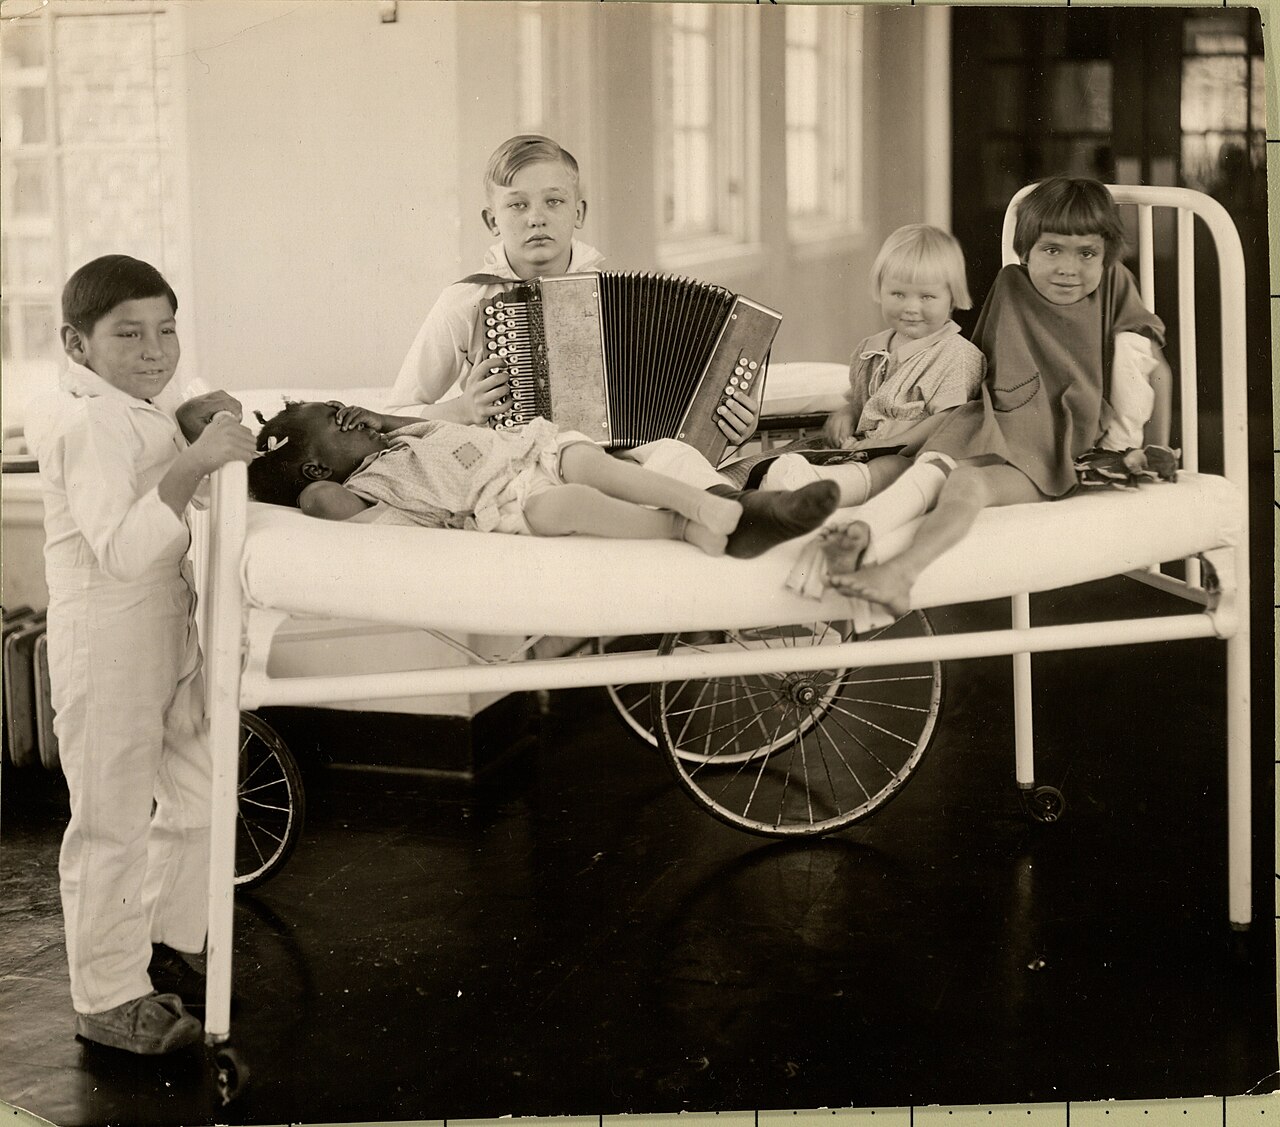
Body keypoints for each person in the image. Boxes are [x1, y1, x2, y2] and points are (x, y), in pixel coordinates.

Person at [23, 255, 256, 1054]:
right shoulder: (85, 420)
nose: (154, 348)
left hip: (167, 623)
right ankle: (107, 992)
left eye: (165, 329)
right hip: (107, 637)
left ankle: (168, 940)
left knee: (198, 795)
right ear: (76, 344)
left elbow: (153, 469)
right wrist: (195, 456)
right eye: (128, 333)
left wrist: (186, 423)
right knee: (112, 820)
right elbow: (122, 547)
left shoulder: (137, 407)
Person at [388, 132, 829, 548]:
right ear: (491, 220)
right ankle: (744, 513)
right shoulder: (466, 301)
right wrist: (463, 409)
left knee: (674, 454)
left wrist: (731, 422)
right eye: (517, 205)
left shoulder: (615, 293)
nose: (536, 216)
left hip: (619, 462)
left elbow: (673, 403)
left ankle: (743, 516)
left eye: (553, 201)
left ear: (578, 213)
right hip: (523, 469)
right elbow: (394, 416)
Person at [816, 177, 1176, 615]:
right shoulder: (1011, 285)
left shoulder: (1114, 285)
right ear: (1025, 252)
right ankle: (859, 535)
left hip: (1059, 444)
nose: (1068, 267)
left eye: (1087, 253)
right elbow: (977, 362)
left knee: (965, 481)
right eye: (1051, 250)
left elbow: (1152, 368)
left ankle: (900, 572)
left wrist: (1153, 448)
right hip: (999, 418)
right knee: (926, 465)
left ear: (1106, 257)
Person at [247, 401, 838, 559]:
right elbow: (321, 502)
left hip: (532, 448)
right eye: (337, 419)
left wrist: (381, 419)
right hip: (505, 500)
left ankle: (712, 504)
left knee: (591, 465)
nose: (352, 413)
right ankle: (689, 525)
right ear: (319, 466)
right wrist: (279, 471)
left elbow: (427, 420)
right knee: (571, 504)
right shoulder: (366, 489)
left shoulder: (399, 436)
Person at [759, 224, 985, 507]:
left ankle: (826, 490)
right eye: (898, 294)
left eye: (927, 296)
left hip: (915, 455)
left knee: (894, 468)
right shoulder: (871, 350)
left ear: (953, 297)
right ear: (880, 289)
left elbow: (946, 421)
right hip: (864, 447)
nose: (911, 307)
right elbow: (861, 402)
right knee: (798, 451)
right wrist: (846, 414)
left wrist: (889, 444)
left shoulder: (957, 355)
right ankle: (778, 480)